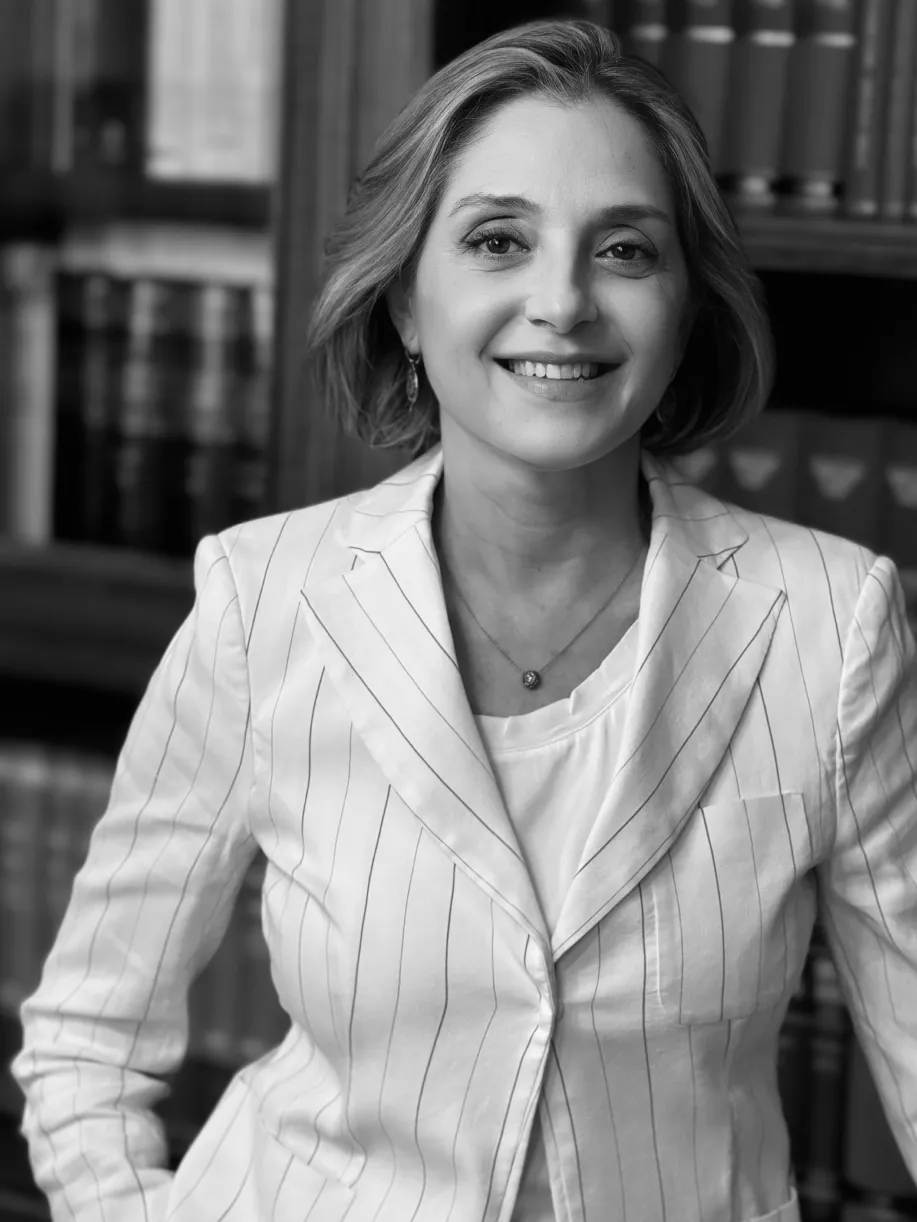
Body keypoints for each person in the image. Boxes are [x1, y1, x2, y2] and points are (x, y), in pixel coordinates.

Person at [11, 17, 917, 1222]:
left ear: (685, 304)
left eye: (624, 251)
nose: (562, 302)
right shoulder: (264, 598)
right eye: (498, 240)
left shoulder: (830, 624)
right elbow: (85, 1043)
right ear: (403, 298)